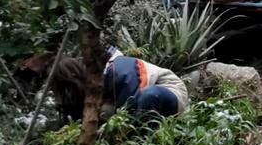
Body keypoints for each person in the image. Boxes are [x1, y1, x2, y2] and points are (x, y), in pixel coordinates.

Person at [50, 49, 189, 122]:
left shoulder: (120, 67)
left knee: (147, 96)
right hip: (139, 105)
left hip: (170, 93)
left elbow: (134, 99)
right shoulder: (92, 89)